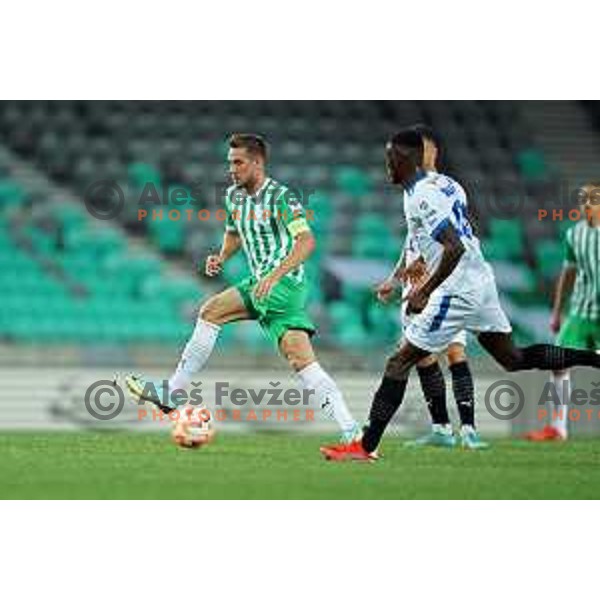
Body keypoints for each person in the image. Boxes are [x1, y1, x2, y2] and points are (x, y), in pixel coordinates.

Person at [320, 128, 600, 461]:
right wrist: (402, 274)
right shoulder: (448, 184)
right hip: (480, 279)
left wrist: (424, 290)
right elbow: (439, 239)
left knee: (399, 361)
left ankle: (365, 447)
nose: (387, 165)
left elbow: (452, 247)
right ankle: (594, 358)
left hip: (457, 287)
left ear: (408, 159)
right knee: (512, 358)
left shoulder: (421, 194)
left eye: (391, 158)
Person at [126, 133, 360, 442]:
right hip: (266, 285)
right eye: (229, 163)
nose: (232, 169)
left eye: (238, 162)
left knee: (211, 311)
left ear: (257, 163)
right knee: (301, 359)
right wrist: (221, 256)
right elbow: (235, 233)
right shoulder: (234, 197)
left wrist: (274, 276)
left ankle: (171, 392)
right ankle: (352, 431)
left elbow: (306, 242)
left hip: (282, 284)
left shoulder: (281, 196)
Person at [376, 124, 486, 449]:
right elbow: (412, 239)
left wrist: (434, 264)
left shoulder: (445, 186)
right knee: (423, 357)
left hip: (444, 282)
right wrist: (396, 278)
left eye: (421, 148)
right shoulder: (413, 191)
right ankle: (442, 428)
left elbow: (457, 237)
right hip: (416, 285)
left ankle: (468, 428)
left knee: (454, 349)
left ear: (433, 151)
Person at [526, 182, 600, 441]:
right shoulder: (574, 234)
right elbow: (567, 274)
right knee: (559, 363)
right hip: (580, 312)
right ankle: (558, 427)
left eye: (594, 200)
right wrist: (557, 311)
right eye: (585, 200)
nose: (588, 205)